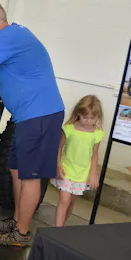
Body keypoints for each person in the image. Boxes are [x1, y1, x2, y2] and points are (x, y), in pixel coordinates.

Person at [0, 1, 65, 247]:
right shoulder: (13, 35)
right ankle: (17, 220)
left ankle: (21, 232)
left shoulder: (7, 36)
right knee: (17, 170)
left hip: (39, 115)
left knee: (29, 175)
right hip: (30, 115)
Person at [52, 95, 104, 227]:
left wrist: (93, 174)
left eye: (93, 118)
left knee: (71, 203)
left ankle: (61, 226)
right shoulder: (69, 129)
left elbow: (95, 155)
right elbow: (59, 148)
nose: (88, 121)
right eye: (85, 117)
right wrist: (58, 166)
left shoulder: (97, 134)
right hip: (67, 169)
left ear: (98, 117)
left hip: (82, 173)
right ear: (78, 113)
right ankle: (57, 230)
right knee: (64, 201)